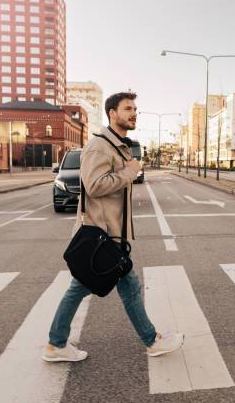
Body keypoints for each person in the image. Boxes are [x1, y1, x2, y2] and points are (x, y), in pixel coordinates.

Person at [42, 92, 184, 362]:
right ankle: (151, 341)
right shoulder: (99, 146)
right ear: (112, 113)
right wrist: (130, 172)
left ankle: (56, 344)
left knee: (108, 287)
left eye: (135, 109)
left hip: (110, 236)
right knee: (113, 287)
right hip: (102, 237)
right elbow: (94, 186)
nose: (134, 113)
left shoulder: (118, 146)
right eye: (128, 108)